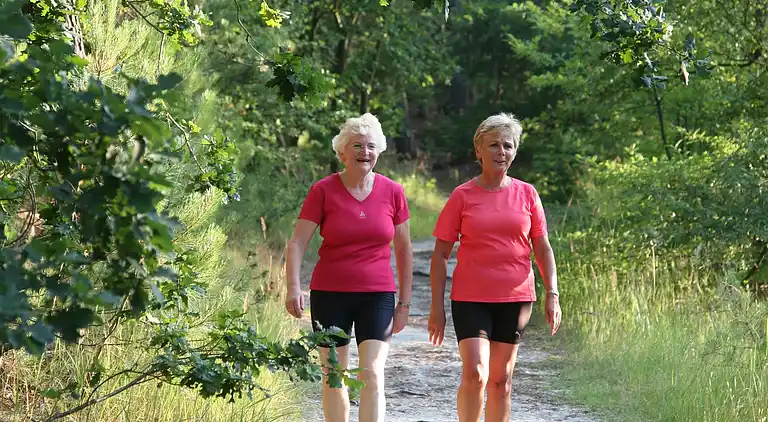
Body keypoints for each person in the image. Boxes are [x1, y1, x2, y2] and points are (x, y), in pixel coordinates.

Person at [427, 113, 562, 422]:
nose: (501, 152)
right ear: (479, 150)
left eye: (508, 146)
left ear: (514, 152)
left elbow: (542, 247)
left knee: (501, 382)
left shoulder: (527, 194)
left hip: (515, 298)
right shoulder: (462, 196)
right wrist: (437, 307)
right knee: (475, 373)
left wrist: (552, 293)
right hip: (470, 297)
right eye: (493, 145)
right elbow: (439, 256)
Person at [284, 113, 414, 422]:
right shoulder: (323, 190)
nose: (364, 153)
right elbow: (297, 242)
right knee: (333, 374)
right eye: (356, 145)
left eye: (370, 146)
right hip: (330, 295)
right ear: (343, 152)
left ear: (378, 151)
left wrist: (405, 303)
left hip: (378, 295)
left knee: (372, 373)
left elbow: (404, 249)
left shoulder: (393, 192)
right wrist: (293, 288)